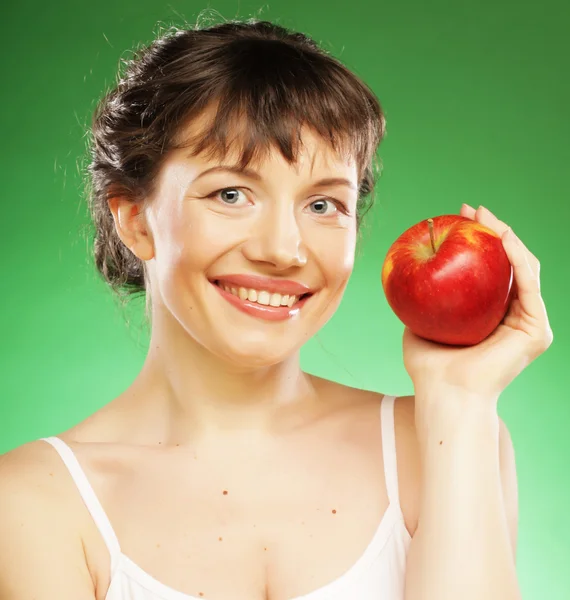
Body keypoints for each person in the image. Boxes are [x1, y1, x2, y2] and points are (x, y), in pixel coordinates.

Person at [0, 17, 553, 600]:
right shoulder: (35, 502)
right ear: (135, 220)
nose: (283, 250)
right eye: (230, 194)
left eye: (322, 204)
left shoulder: (448, 442)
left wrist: (461, 402)